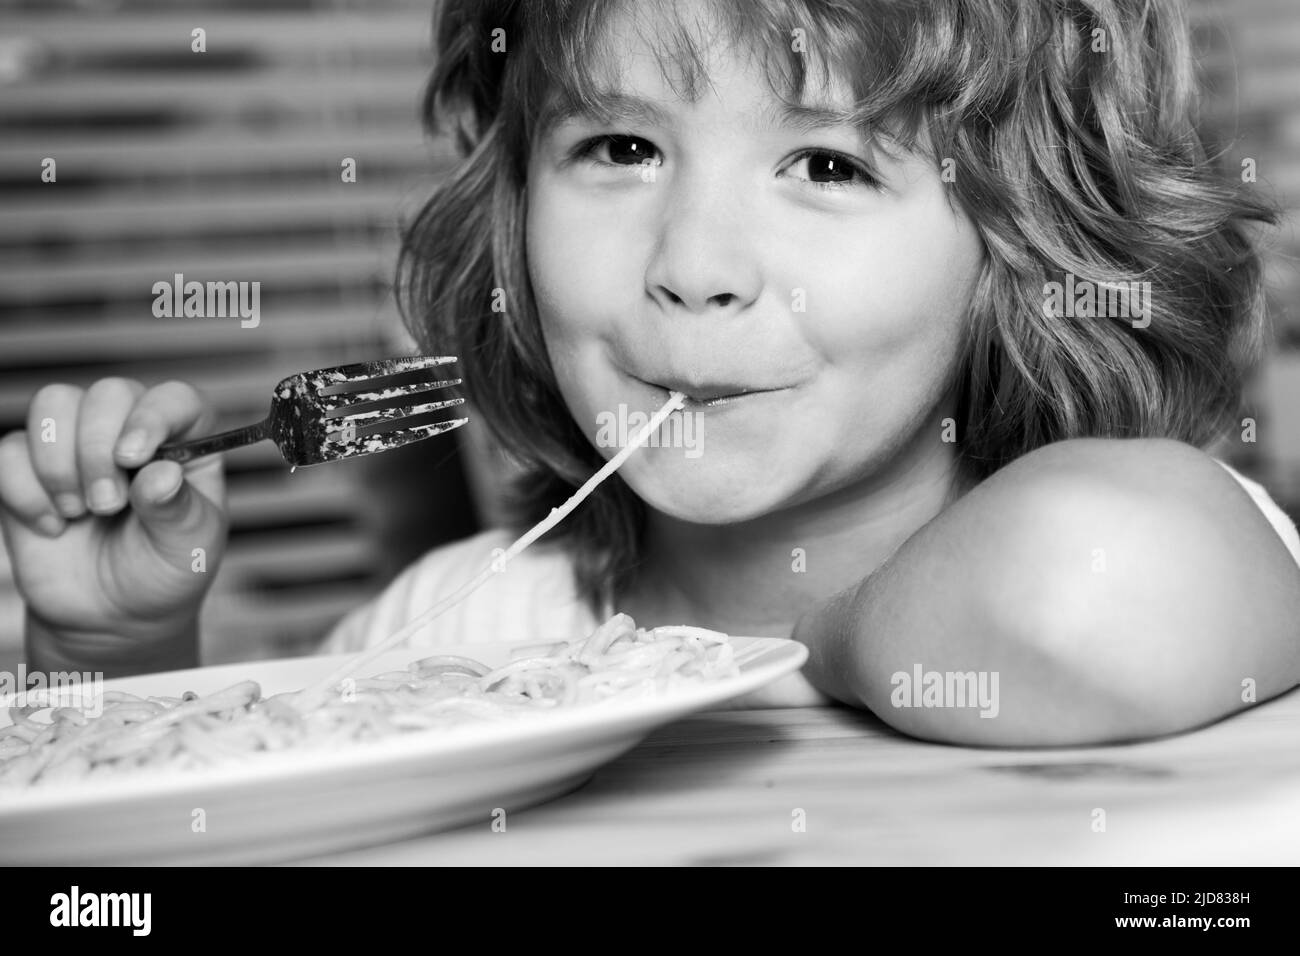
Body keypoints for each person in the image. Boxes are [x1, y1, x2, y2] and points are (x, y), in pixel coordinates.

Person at [3, 0, 1298, 746]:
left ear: (1027, 248)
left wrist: (799, 646)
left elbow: (1092, 589)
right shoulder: (460, 637)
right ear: (506, 211)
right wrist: (117, 652)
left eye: (830, 167)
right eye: (620, 148)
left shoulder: (1171, 536)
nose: (693, 264)